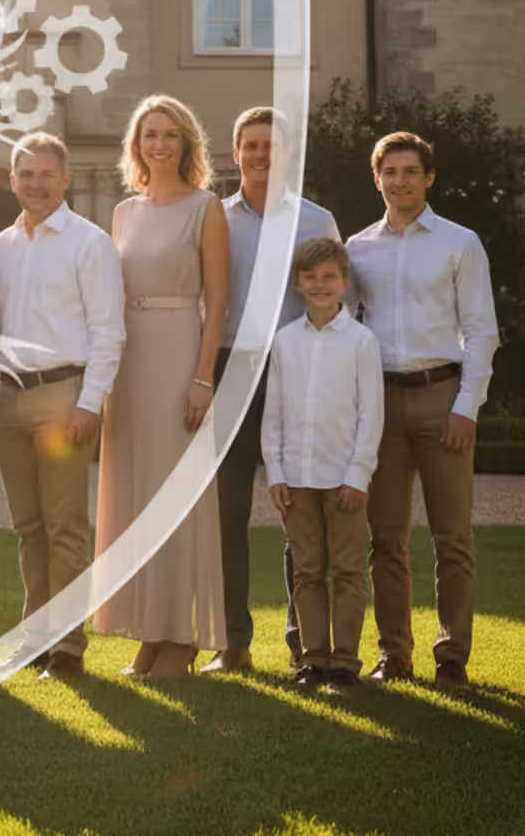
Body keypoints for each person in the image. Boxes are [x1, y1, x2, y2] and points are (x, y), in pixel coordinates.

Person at [346, 131, 499, 690]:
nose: (400, 181)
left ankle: (452, 657)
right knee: (384, 539)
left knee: (452, 537)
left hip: (443, 399)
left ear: (429, 178)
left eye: (411, 171)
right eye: (390, 171)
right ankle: (395, 654)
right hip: (380, 403)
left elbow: (482, 330)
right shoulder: (357, 248)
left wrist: (467, 408)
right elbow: (342, 329)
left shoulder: (460, 244)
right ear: (377, 178)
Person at [94, 94, 230, 680]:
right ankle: (149, 634)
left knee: (177, 496)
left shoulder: (207, 208)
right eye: (150, 134)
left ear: (187, 144)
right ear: (137, 145)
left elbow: (218, 302)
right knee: (136, 498)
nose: (160, 144)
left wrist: (202, 379)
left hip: (179, 351)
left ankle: (181, 636)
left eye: (171, 135)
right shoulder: (123, 213)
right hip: (129, 359)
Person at [205, 106, 340, 676]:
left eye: (272, 146)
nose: (261, 155)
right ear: (236, 154)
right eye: (251, 146)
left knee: (302, 514)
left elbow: (340, 302)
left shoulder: (317, 221)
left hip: (295, 375)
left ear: (287, 155)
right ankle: (232, 643)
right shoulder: (213, 218)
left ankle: (306, 645)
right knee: (224, 518)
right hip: (228, 374)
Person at [0, 132, 126, 682]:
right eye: (27, 175)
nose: (37, 184)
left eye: (48, 175)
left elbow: (108, 332)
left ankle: (67, 649)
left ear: (65, 180)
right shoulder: (0, 246)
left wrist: (90, 403)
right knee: (27, 528)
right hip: (9, 399)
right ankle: (35, 639)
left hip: (63, 397)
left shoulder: (89, 243)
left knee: (65, 526)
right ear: (13, 180)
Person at [264, 237, 383, 693]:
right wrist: (275, 471)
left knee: (349, 571)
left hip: (343, 479)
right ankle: (313, 661)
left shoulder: (361, 343)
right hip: (297, 480)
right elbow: (272, 412)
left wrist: (358, 474)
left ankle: (345, 664)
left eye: (329, 277)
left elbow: (371, 415)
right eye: (310, 278)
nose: (320, 285)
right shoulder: (285, 342)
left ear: (345, 282)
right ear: (297, 284)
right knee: (307, 570)